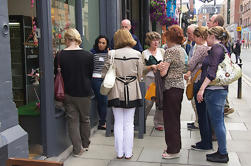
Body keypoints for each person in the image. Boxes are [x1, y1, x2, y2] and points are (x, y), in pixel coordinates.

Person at [102, 29, 143, 159]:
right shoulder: (137, 54)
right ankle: (128, 153)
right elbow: (140, 75)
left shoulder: (111, 53)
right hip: (132, 90)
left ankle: (119, 153)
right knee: (129, 123)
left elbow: (104, 73)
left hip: (115, 90)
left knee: (118, 122)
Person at [54, 28, 94, 157]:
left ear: (66, 39)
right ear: (77, 39)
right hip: (84, 92)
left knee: (73, 122)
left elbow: (57, 74)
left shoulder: (59, 55)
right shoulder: (88, 55)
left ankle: (77, 150)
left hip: (67, 93)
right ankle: (86, 144)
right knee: (85, 119)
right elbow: (90, 74)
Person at [197, 26, 230, 163]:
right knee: (219, 122)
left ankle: (223, 153)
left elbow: (212, 71)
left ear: (212, 36)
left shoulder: (217, 48)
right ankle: (221, 151)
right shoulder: (221, 48)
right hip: (219, 90)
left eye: (208, 36)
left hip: (215, 91)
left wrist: (201, 89)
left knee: (217, 123)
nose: (206, 39)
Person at [159, 25, 186, 159]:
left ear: (169, 38)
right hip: (179, 87)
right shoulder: (181, 50)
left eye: (166, 37)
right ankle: (174, 146)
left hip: (170, 87)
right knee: (174, 118)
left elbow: (163, 72)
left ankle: (173, 151)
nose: (165, 40)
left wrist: (159, 67)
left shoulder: (170, 51)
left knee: (170, 120)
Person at [184, 26, 212, 151]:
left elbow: (191, 64)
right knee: (204, 113)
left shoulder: (200, 48)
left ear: (200, 37)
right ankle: (207, 141)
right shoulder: (209, 48)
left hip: (198, 81)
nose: (193, 39)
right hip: (205, 82)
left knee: (201, 114)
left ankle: (205, 143)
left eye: (195, 37)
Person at [207, 14, 234, 116]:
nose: (208, 22)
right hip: (220, 76)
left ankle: (224, 106)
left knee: (217, 120)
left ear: (216, 23)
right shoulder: (223, 35)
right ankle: (224, 106)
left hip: (217, 77)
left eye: (211, 20)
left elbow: (214, 65)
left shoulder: (218, 40)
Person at [142, 32, 164, 131]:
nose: (156, 42)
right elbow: (141, 68)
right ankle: (142, 120)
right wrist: (151, 67)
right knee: (148, 102)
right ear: (149, 41)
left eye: (157, 40)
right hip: (149, 79)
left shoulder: (162, 51)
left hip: (161, 79)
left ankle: (159, 123)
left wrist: (160, 67)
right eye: (153, 40)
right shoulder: (144, 53)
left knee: (160, 101)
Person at [90, 35, 109, 130]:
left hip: (106, 79)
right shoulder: (92, 53)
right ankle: (102, 122)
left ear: (106, 44)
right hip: (96, 79)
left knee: (104, 101)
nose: (101, 44)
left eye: (103, 43)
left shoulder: (109, 53)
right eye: (99, 42)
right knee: (103, 100)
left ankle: (103, 121)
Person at [184, 24, 199, 130]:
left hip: (196, 77)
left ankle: (198, 123)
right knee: (193, 101)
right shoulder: (193, 44)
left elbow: (196, 62)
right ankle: (197, 121)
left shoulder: (199, 46)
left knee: (195, 101)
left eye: (189, 33)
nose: (187, 35)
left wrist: (189, 72)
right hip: (192, 76)